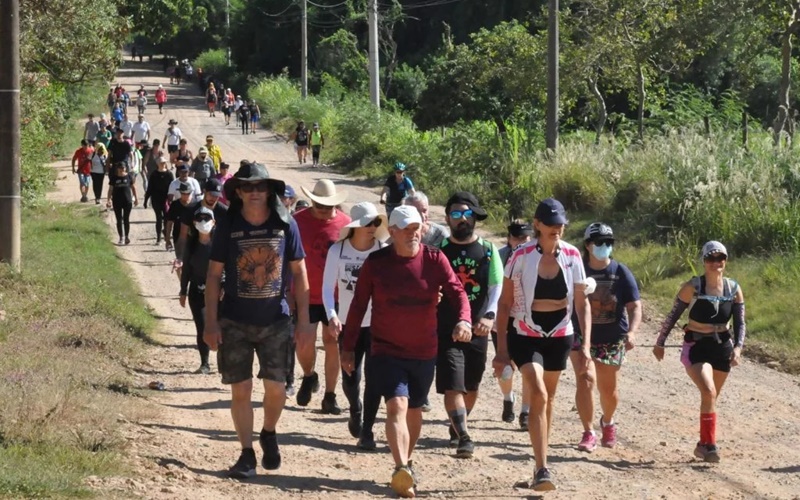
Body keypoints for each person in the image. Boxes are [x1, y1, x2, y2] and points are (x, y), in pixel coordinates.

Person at [341, 205, 471, 499]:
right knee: (397, 405)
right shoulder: (376, 263)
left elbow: (457, 291)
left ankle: (407, 464)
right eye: (408, 229)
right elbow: (358, 305)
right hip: (386, 349)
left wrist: (464, 318)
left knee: (414, 410)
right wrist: (348, 348)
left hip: (424, 350)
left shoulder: (435, 259)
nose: (414, 233)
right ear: (394, 232)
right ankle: (400, 466)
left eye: (418, 228)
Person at [204, 161, 312, 479]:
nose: (254, 192)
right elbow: (213, 276)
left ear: (270, 191)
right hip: (234, 320)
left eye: (260, 186)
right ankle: (246, 453)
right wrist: (210, 322)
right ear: (238, 191)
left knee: (276, 389)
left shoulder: (285, 225)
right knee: (241, 389)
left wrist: (304, 322)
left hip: (276, 321)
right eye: (248, 186)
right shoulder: (228, 225)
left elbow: (300, 273)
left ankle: (268, 431)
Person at [492, 198, 591, 491]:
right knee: (538, 392)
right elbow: (505, 303)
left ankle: (538, 466)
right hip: (524, 334)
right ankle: (543, 468)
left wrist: (585, 344)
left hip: (560, 336)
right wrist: (501, 350)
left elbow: (582, 303)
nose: (556, 228)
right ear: (537, 224)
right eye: (550, 223)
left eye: (560, 223)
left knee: (547, 398)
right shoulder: (520, 256)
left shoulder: (573, 255)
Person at [653, 240, 745, 463]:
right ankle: (709, 445)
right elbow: (673, 315)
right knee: (709, 392)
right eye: (711, 259)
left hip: (722, 345)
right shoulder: (693, 287)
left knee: (711, 397)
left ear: (726, 261)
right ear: (704, 261)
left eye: (720, 258)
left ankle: (702, 444)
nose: (716, 263)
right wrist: (660, 342)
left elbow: (741, 322)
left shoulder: (733, 289)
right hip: (696, 345)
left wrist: (738, 347)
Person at [436, 192, 502, 458]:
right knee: (454, 384)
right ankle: (464, 436)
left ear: (474, 217)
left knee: (472, 386)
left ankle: (456, 425)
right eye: (455, 214)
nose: (461, 219)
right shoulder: (440, 249)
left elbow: (497, 287)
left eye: (466, 214)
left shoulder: (488, 250)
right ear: (447, 218)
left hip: (478, 328)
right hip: (446, 327)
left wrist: (489, 315)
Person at [322, 202, 389, 450]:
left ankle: (368, 429)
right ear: (356, 227)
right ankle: (355, 407)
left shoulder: (383, 250)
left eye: (376, 223)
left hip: (378, 323)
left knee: (375, 376)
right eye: (368, 223)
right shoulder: (338, 251)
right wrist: (332, 315)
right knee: (351, 375)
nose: (373, 228)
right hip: (348, 323)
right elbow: (328, 288)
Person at [570, 223, 642, 452]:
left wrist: (632, 332)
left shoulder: (620, 272)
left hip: (612, 338)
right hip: (580, 336)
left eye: (608, 243)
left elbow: (635, 306)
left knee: (608, 390)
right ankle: (588, 431)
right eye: (599, 242)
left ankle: (608, 421)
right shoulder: (577, 269)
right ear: (588, 245)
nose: (604, 247)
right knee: (585, 379)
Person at [294, 179, 352, 412]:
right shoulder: (297, 221)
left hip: (336, 295)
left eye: (328, 205)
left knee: (332, 342)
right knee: (304, 342)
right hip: (305, 293)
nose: (324, 209)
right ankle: (309, 375)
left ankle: (330, 395)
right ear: (312, 201)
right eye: (319, 204)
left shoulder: (347, 225)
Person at [493, 220, 533, 427]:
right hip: (503, 316)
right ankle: (508, 398)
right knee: (506, 367)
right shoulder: (498, 256)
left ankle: (526, 412)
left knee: (528, 367)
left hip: (527, 319)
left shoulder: (537, 256)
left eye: (525, 238)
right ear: (509, 238)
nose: (521, 242)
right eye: (517, 237)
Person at [180, 206, 217, 375]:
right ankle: (204, 364)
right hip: (197, 291)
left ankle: (223, 363)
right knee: (202, 327)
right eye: (199, 220)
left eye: (206, 219)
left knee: (221, 326)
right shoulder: (191, 245)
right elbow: (186, 269)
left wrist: (225, 287)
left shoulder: (220, 245)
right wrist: (183, 290)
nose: (203, 223)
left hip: (219, 292)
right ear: (194, 223)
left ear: (214, 222)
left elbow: (229, 268)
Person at [143, 156, 175, 245]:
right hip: (156, 199)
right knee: (158, 218)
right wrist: (145, 200)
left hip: (166, 200)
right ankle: (158, 238)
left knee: (166, 218)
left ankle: (165, 234)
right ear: (158, 164)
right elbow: (149, 188)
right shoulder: (154, 174)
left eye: (164, 163)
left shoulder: (169, 174)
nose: (163, 164)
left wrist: (172, 199)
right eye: (161, 163)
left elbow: (173, 187)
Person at [106, 162, 138, 245]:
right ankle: (121, 237)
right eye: (120, 168)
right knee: (119, 219)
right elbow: (110, 189)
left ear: (125, 168)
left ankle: (127, 236)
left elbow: (133, 187)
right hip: (117, 201)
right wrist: (108, 199)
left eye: (123, 168)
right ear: (117, 169)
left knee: (126, 219)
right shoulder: (114, 178)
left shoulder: (129, 177)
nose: (122, 169)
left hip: (127, 201)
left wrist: (136, 198)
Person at [165, 182, 193, 254]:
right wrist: (167, 239)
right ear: (180, 192)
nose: (186, 196)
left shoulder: (195, 204)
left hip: (193, 237)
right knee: (180, 258)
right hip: (178, 236)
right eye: (183, 193)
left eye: (188, 194)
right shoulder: (175, 205)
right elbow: (169, 222)